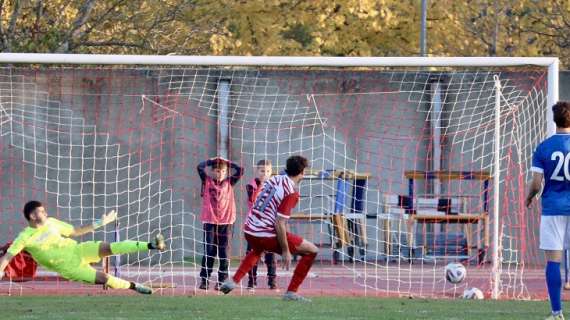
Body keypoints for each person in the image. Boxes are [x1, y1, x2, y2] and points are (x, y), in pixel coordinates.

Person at [0, 200, 165, 294]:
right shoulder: (24, 237)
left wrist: (100, 223)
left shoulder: (52, 222)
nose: (46, 213)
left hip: (77, 250)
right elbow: (8, 256)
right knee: (104, 278)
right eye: (42, 211)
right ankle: (134, 286)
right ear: (33, 216)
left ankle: (152, 245)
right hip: (69, 267)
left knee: (108, 247)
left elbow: (75, 232)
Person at [220, 155, 318, 302]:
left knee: (257, 250)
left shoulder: (274, 179)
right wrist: (285, 251)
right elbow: (279, 223)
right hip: (264, 234)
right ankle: (291, 292)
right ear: (302, 172)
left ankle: (233, 281)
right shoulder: (291, 192)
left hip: (249, 229)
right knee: (312, 250)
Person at [526, 101, 570, 320]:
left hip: (553, 209)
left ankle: (556, 312)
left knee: (554, 260)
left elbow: (535, 184)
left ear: (555, 120)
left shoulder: (544, 147)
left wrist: (529, 197)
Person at [197, 157, 244, 290]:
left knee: (224, 253)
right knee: (209, 252)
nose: (220, 174)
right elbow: (200, 167)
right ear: (212, 172)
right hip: (210, 222)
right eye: (217, 171)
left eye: (223, 171)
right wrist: (211, 161)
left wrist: (228, 163)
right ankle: (204, 280)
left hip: (226, 222)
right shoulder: (207, 181)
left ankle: (222, 280)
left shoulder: (230, 182)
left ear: (226, 172)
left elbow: (241, 170)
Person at [245, 159, 277, 290]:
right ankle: (252, 281)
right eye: (262, 171)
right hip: (254, 227)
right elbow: (254, 203)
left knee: (271, 255)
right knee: (252, 255)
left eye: (268, 171)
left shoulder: (275, 187)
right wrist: (261, 186)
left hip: (269, 227)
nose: (265, 173)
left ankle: (272, 281)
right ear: (256, 171)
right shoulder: (250, 186)